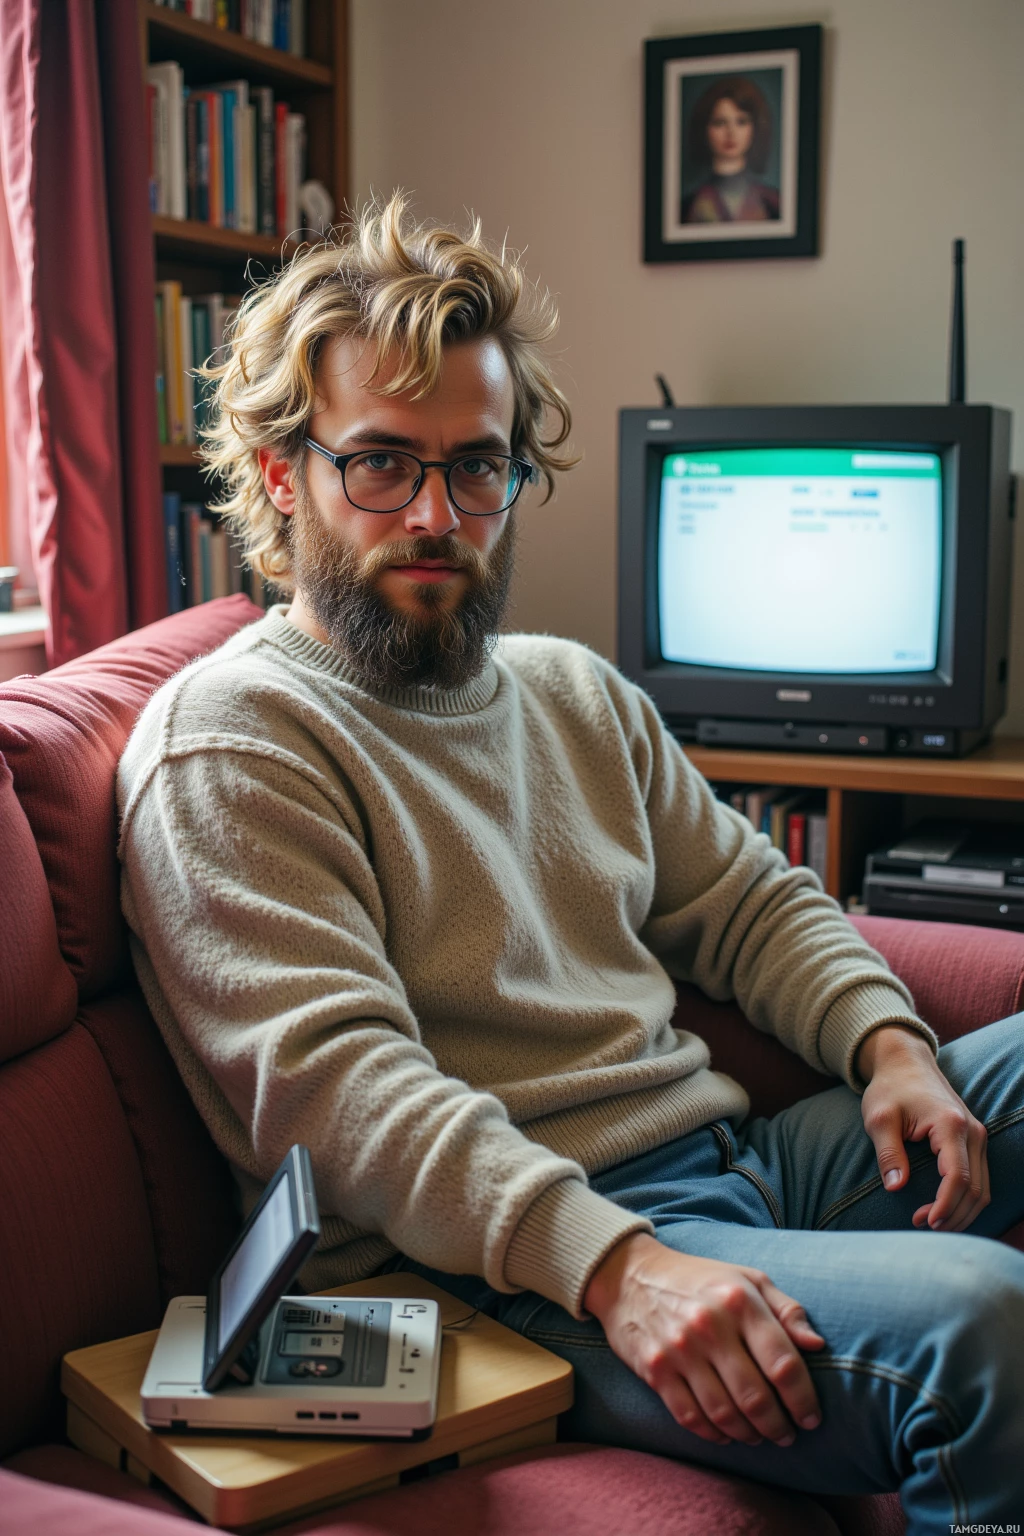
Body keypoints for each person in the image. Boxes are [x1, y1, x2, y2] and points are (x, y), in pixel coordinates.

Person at [117, 196, 1024, 1533]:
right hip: (502, 1276)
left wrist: (893, 1051)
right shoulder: (233, 738)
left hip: (733, 1163)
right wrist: (621, 1269)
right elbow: (342, 1101)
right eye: (382, 465)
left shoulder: (571, 691)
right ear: (279, 474)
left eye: (477, 466)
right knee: (980, 1326)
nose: (438, 514)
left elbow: (753, 903)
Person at [681, 75, 780, 224]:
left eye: (741, 122)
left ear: (755, 128)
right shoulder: (686, 208)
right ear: (704, 129)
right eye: (720, 122)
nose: (731, 133)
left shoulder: (774, 203)